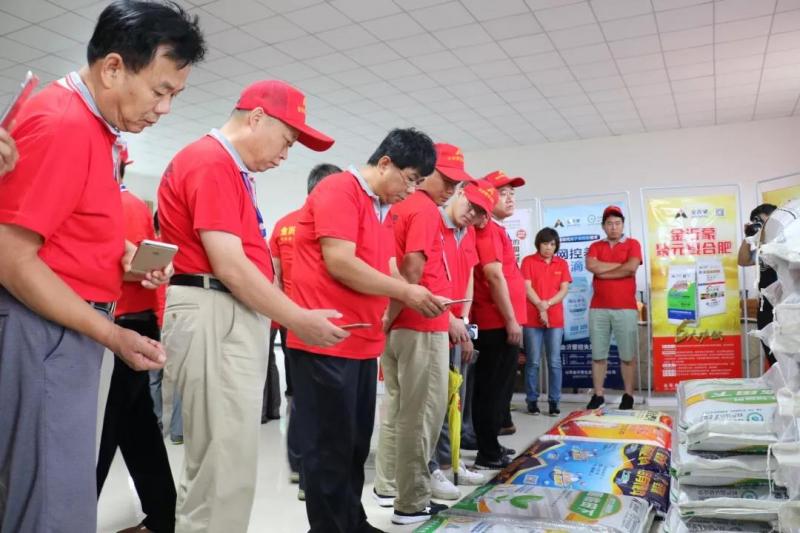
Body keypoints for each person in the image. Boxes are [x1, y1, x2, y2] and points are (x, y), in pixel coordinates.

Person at [0, 1, 205, 530]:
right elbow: (12, 258)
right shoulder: (64, 123)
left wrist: (125, 264)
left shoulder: (97, 131)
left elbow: (59, 240)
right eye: (160, 91)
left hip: (64, 326)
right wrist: (112, 335)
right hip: (43, 329)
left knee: (61, 492)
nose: (164, 109)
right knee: (51, 504)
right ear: (113, 68)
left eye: (174, 96)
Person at [158, 80, 348, 533]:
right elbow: (229, 264)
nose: (285, 155)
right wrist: (296, 318)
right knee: (221, 465)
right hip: (215, 308)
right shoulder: (212, 162)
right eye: (286, 141)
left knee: (229, 460)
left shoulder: (229, 169)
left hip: (226, 309)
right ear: (257, 118)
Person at [287, 128, 448, 533]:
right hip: (325, 341)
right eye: (409, 179)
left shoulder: (381, 207)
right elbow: (340, 262)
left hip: (360, 341)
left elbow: (385, 266)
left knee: (354, 445)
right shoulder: (339, 190)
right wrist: (406, 292)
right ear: (385, 163)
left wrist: (407, 297)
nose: (410, 191)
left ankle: (351, 522)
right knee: (328, 448)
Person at [373, 143, 473, 525]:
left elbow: (391, 266)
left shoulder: (395, 208)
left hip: (398, 326)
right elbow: (412, 271)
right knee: (422, 417)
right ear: (424, 171)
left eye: (456, 184)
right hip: (421, 324)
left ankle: (387, 487)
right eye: (444, 179)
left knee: (397, 411)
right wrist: (397, 309)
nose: (450, 189)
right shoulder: (424, 210)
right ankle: (411, 503)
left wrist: (388, 315)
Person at [97, 149, 176, 533]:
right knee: (136, 425)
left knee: (102, 430)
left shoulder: (113, 203)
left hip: (116, 325)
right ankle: (163, 515)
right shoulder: (136, 207)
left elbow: (120, 264)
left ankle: (71, 516)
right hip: (138, 321)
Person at [268, 162, 342, 500]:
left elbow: (275, 277)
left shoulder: (284, 225)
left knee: (301, 394)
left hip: (297, 319)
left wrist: (284, 315)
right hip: (320, 319)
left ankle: (301, 464)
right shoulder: (326, 224)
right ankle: (312, 468)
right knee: (320, 396)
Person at [427, 180, 497, 500]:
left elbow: (467, 277)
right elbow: (424, 276)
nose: (473, 215)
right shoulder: (431, 223)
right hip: (431, 322)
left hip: (457, 326)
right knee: (434, 403)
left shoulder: (467, 234)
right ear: (459, 192)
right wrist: (449, 319)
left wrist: (465, 323)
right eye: (472, 206)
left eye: (481, 213)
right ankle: (435, 467)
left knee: (455, 398)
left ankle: (452, 463)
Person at [470, 171, 527, 470]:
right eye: (502, 193)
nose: (510, 198)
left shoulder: (496, 229)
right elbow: (493, 277)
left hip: (502, 321)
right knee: (491, 389)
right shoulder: (486, 230)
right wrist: (511, 320)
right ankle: (487, 451)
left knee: (500, 389)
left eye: (512, 193)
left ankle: (491, 443)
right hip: (494, 322)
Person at [585, 205, 642, 410]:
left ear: (623, 225)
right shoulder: (595, 246)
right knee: (598, 355)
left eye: (617, 223)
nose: (614, 227)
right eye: (609, 223)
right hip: (598, 308)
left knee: (627, 356)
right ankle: (598, 394)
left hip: (625, 308)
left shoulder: (633, 244)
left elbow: (632, 267)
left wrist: (604, 270)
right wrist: (621, 267)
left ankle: (628, 395)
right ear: (603, 226)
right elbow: (592, 266)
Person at [521, 227, 571, 417]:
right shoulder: (528, 261)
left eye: (552, 244)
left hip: (555, 320)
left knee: (554, 362)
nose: (549, 247)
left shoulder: (562, 263)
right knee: (533, 361)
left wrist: (547, 304)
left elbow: (564, 290)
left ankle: (554, 402)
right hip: (531, 319)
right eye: (545, 243)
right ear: (538, 244)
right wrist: (541, 308)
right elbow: (527, 288)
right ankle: (532, 401)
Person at [737, 203, 778, 367]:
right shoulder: (762, 249)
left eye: (762, 222)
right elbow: (743, 260)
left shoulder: (790, 243)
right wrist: (748, 237)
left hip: (787, 306)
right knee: (772, 354)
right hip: (765, 307)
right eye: (757, 222)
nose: (761, 226)